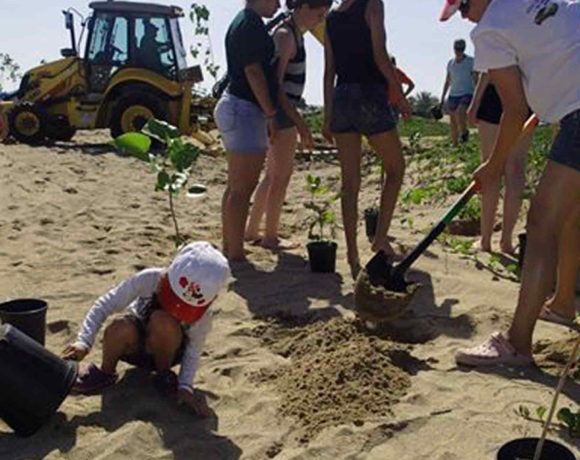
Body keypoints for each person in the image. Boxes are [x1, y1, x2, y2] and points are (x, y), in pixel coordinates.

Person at [439, 0, 580, 366]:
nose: (466, 15)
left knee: (541, 224)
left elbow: (513, 109)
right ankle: (563, 304)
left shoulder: (488, 30)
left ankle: (517, 345)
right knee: (570, 216)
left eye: (464, 6)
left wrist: (492, 167)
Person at [63, 242, 230, 416]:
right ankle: (106, 373)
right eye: (172, 296)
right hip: (135, 343)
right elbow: (105, 304)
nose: (176, 308)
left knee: (162, 320)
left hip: (169, 351)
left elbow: (193, 351)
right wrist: (84, 341)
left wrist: (185, 386)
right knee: (119, 327)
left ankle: (163, 375)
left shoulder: (204, 316)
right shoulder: (150, 278)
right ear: (168, 272)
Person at [323, 0, 411, 279]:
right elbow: (380, 55)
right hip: (370, 95)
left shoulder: (331, 18)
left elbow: (329, 72)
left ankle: (352, 254)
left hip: (342, 97)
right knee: (396, 168)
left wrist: (327, 117)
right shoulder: (372, 4)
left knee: (350, 184)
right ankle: (380, 238)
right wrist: (400, 95)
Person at [245, 0, 331, 250]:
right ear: (303, 6)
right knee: (280, 177)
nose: (320, 19)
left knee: (271, 175)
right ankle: (270, 236)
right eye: (319, 12)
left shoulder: (293, 33)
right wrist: (300, 123)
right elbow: (277, 86)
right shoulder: (286, 35)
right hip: (283, 114)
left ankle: (252, 230)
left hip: (282, 113)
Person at [215, 0, 281, 262]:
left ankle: (229, 244)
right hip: (243, 109)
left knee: (235, 187)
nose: (277, 4)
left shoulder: (243, 21)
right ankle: (235, 252)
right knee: (242, 188)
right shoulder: (251, 24)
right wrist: (270, 113)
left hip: (235, 106)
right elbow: (253, 72)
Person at [467, 73, 533, 254]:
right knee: (516, 168)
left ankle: (486, 240)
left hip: (497, 93)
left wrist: (475, 102)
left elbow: (489, 69)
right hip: (524, 96)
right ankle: (506, 241)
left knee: (491, 167)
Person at [439, 39, 476, 146]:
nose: (458, 50)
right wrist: (442, 97)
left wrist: (479, 93)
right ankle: (454, 144)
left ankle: (464, 133)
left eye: (460, 48)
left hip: (467, 92)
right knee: (453, 121)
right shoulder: (451, 63)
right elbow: (447, 80)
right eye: (457, 48)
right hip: (453, 94)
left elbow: (476, 77)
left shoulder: (471, 61)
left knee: (461, 112)